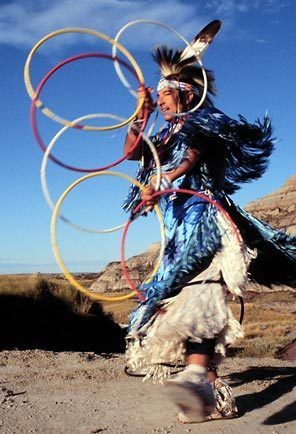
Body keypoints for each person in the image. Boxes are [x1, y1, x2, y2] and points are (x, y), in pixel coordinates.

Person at [122, 21, 296, 423]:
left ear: (187, 95)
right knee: (179, 302)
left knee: (199, 294)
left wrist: (163, 182)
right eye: (159, 96)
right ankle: (210, 393)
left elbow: (191, 159)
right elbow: (133, 152)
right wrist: (140, 113)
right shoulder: (164, 133)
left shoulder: (199, 126)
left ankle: (199, 377)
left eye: (166, 95)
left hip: (207, 222)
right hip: (179, 229)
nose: (162, 101)